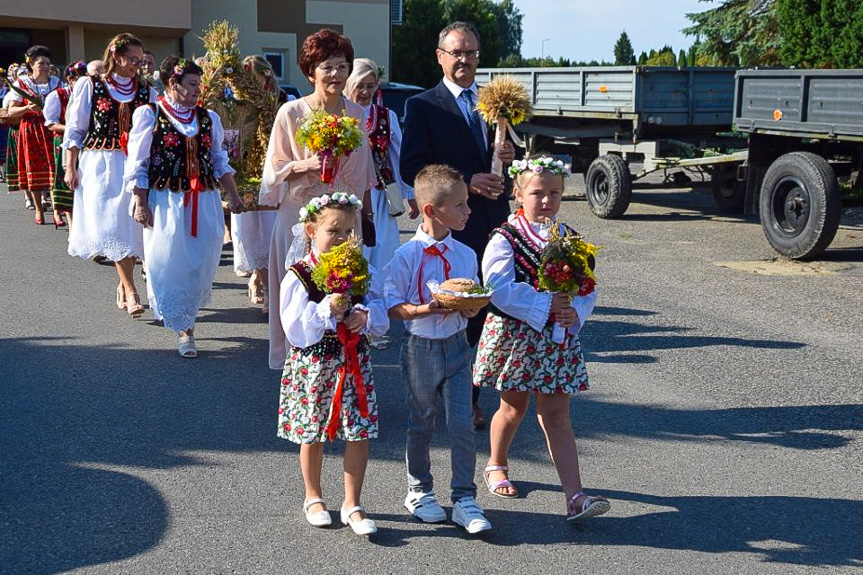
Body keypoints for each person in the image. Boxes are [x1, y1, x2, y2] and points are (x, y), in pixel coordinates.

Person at [473, 157, 610, 522]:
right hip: (517, 338)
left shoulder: (568, 238)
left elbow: (586, 286)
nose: (546, 200)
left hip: (554, 340)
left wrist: (575, 311)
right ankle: (496, 463)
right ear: (518, 194)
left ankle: (574, 495)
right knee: (513, 408)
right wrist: (548, 305)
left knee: (556, 415)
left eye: (555, 193)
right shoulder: (505, 238)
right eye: (537, 193)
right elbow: (498, 288)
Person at [400, 21, 516, 429]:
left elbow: (508, 163)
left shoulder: (493, 103)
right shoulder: (423, 105)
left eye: (470, 52)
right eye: (456, 52)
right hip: (451, 228)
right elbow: (413, 167)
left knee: (484, 312)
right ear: (440, 56)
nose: (464, 59)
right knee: (447, 313)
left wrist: (510, 152)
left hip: (494, 224)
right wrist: (467, 182)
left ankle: (469, 399)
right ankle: (431, 397)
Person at [383, 164, 492, 534]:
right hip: (421, 348)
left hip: (458, 347)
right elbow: (392, 307)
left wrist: (473, 306)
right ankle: (419, 490)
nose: (468, 211)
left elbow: (473, 296)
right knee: (422, 421)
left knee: (462, 424)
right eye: (460, 205)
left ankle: (464, 497)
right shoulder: (406, 257)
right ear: (431, 210)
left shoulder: (465, 254)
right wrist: (429, 308)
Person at [260, 28, 376, 370]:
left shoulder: (355, 114)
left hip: (341, 220)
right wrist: (305, 165)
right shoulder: (291, 113)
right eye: (327, 66)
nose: (336, 74)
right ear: (311, 71)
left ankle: (342, 359)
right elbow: (273, 170)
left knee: (343, 286)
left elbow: (361, 172)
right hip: (298, 216)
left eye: (342, 67)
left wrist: (358, 214)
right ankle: (294, 361)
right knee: (298, 288)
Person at [278, 192, 388, 535]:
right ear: (311, 230)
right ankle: (314, 495)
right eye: (333, 231)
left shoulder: (361, 270)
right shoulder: (299, 275)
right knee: (314, 430)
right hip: (314, 363)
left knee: (358, 431)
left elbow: (381, 309)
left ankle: (352, 502)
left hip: (352, 360)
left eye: (348, 232)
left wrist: (364, 316)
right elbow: (294, 327)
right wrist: (326, 310)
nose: (341, 239)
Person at [125, 56, 243, 357]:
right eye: (191, 85)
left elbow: (218, 160)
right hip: (166, 201)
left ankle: (186, 316)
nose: (197, 91)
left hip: (203, 200)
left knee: (199, 261)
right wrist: (139, 201)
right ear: (172, 83)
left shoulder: (208, 118)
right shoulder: (149, 114)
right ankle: (184, 330)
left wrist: (234, 195)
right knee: (167, 260)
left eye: (198, 84)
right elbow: (137, 163)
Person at [63, 33, 158, 315]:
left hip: (135, 164)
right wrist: (70, 165)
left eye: (140, 61)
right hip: (100, 165)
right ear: (116, 56)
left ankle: (125, 285)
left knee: (130, 226)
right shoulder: (90, 85)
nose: (137, 65)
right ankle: (130, 288)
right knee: (113, 227)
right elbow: (75, 129)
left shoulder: (146, 90)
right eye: (132, 59)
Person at [345, 57, 417, 270]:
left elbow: (398, 156)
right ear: (350, 85)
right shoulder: (339, 114)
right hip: (348, 192)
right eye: (360, 86)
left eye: (370, 86)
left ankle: (382, 297)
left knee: (383, 247)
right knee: (353, 247)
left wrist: (410, 195)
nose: (365, 92)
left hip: (379, 193)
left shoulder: (386, 116)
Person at [228, 55, 281, 313]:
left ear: (265, 76)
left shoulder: (282, 104)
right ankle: (259, 279)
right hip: (246, 175)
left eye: (251, 79)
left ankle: (267, 285)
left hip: (273, 176)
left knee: (271, 233)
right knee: (251, 232)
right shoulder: (237, 107)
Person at [7, 45, 61, 225]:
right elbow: (11, 110)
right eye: (41, 63)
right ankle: (38, 208)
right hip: (31, 129)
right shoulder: (21, 84)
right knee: (35, 169)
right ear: (31, 64)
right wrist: (27, 108)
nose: (45, 66)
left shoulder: (57, 83)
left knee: (55, 170)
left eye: (47, 62)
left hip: (51, 129)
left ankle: (56, 210)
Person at [44, 60, 87, 229]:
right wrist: (73, 129)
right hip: (64, 142)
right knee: (68, 181)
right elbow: (50, 123)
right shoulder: (58, 95)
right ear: (70, 79)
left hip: (87, 144)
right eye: (79, 78)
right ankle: (72, 226)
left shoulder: (94, 94)